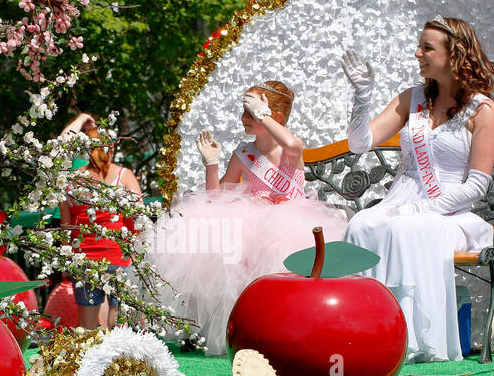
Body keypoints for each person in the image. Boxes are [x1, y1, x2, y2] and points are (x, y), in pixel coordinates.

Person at [340, 16, 494, 362]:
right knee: (361, 224)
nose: (418, 53)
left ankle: (415, 342)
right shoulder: (411, 99)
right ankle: (365, 333)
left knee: (410, 229)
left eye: (427, 48)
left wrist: (424, 209)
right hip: (399, 202)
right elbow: (360, 144)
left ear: (454, 54)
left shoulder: (483, 110)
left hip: (449, 213)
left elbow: (477, 184)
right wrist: (362, 97)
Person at [146, 80, 348, 355]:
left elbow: (289, 141)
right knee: (222, 239)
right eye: (245, 111)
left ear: (274, 116)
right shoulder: (243, 154)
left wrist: (262, 113)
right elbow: (216, 200)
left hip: (292, 226)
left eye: (251, 112)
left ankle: (291, 333)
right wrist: (211, 164)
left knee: (275, 250)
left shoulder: (291, 148)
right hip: (250, 225)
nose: (245, 118)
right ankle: (246, 331)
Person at [58, 112, 143, 330]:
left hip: (83, 258)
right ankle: (119, 361)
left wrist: (80, 119)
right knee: (119, 317)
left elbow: (66, 228)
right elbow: (139, 217)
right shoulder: (123, 175)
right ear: (112, 147)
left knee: (87, 324)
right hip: (118, 254)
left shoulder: (70, 179)